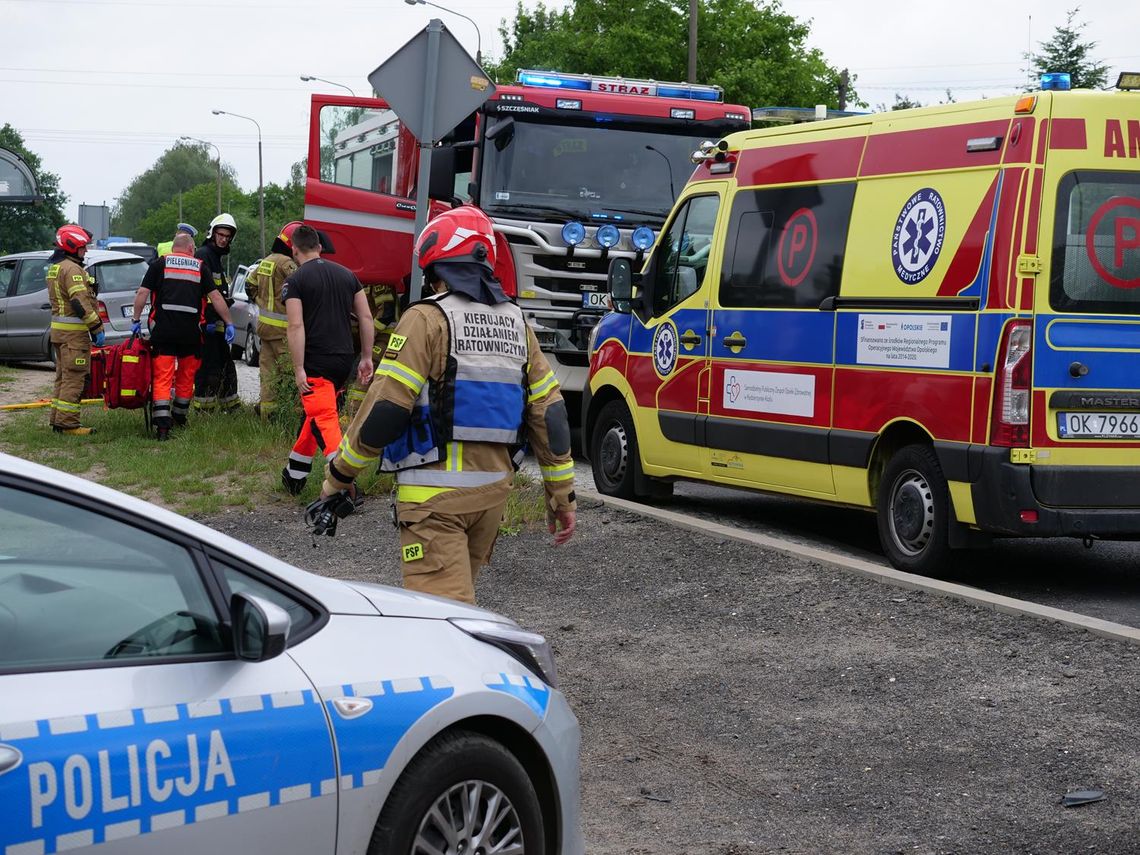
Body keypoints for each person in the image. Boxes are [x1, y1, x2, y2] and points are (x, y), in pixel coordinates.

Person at [314, 206, 576, 604]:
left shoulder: (426, 319)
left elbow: (384, 410)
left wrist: (339, 474)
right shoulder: (516, 322)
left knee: (444, 623)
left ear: (436, 264)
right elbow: (550, 415)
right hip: (491, 496)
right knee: (460, 607)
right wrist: (563, 497)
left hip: (432, 502)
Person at [281, 225, 374, 495]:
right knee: (317, 415)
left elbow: (295, 326)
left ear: (294, 250)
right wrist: (366, 357)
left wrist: (298, 369)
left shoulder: (295, 281)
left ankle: (344, 485)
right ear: (320, 247)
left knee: (325, 420)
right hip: (344, 360)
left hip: (316, 362)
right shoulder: (348, 275)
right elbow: (366, 318)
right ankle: (293, 475)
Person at [130, 233, 234, 440]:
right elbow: (215, 297)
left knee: (163, 377)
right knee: (186, 377)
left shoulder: (160, 264)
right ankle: (179, 418)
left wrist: (135, 320)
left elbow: (142, 293)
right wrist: (229, 322)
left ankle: (162, 427)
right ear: (190, 248)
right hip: (191, 334)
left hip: (164, 332)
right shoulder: (200, 266)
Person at [46, 225, 104, 435]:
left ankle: (57, 420)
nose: (86, 251)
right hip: (73, 337)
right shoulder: (72, 270)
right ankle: (69, 425)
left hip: (60, 335)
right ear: (72, 248)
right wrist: (96, 327)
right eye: (82, 248)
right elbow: (79, 302)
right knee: (74, 378)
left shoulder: (57, 267)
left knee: (63, 377)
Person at [244, 221, 300, 419]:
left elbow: (249, 284)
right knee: (290, 376)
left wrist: (260, 301)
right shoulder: (288, 264)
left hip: (265, 329)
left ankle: (267, 418)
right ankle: (289, 418)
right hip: (284, 333)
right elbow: (303, 287)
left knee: (267, 376)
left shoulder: (265, 261)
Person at [193, 213, 240, 412]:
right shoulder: (204, 255)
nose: (223, 239)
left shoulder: (216, 258)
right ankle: (204, 408)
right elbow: (205, 292)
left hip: (218, 324)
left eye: (227, 237)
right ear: (212, 234)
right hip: (208, 325)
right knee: (209, 368)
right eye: (221, 235)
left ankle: (229, 406)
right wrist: (210, 320)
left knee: (225, 366)